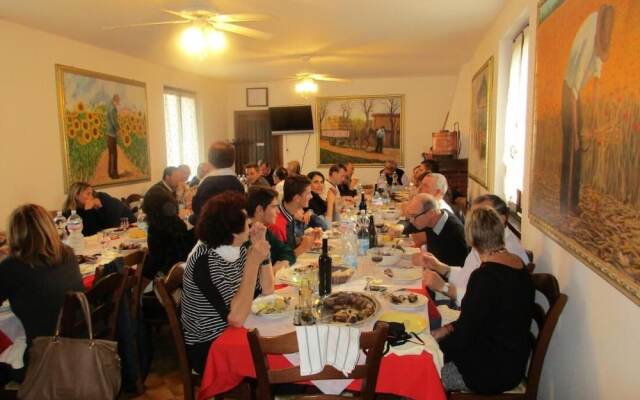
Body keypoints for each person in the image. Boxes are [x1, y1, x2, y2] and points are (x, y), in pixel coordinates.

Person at [431, 206, 534, 394]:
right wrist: (446, 329)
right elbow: (478, 318)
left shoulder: (484, 277)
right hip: (511, 357)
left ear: (471, 240)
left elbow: (464, 337)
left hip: (493, 371)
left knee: (427, 369)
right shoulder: (519, 265)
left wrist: (436, 344)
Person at [181, 192, 273, 374]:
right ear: (231, 231)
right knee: (275, 357)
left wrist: (262, 249)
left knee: (280, 344)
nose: (251, 224)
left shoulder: (235, 247)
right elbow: (235, 318)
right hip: (210, 346)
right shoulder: (205, 260)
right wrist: (253, 262)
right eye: (246, 222)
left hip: (235, 331)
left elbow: (268, 289)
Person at [0, 204, 84, 375]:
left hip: (41, 355)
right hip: (76, 346)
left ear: (15, 234)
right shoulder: (67, 253)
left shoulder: (13, 266)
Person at [417, 194, 530, 306]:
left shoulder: (507, 252)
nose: (473, 223)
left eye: (482, 215)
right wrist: (439, 267)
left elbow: (482, 303)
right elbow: (467, 276)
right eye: (473, 215)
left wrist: (443, 287)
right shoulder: (486, 241)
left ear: (501, 219)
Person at [560, 5, 614, 215]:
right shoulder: (590, 32)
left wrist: (594, 122)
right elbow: (573, 88)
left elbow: (596, 85)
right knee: (572, 148)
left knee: (579, 147)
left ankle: (573, 201)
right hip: (569, 90)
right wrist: (575, 132)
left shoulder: (601, 35)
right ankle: (568, 203)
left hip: (577, 93)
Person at [142, 167, 194, 282]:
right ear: (167, 177)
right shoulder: (158, 192)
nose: (179, 180)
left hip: (162, 241)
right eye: (176, 178)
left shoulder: (166, 190)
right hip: (163, 242)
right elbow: (173, 216)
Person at [404, 193, 468, 268]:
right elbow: (410, 227)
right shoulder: (435, 217)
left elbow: (452, 273)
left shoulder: (453, 235)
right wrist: (401, 226)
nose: (411, 221)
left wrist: (425, 262)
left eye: (414, 216)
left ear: (431, 213)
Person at [190, 141, 244, 225]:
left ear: (210, 160)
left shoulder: (206, 183)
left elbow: (197, 209)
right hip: (232, 230)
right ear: (232, 161)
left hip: (211, 231)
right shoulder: (237, 183)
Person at [268, 175, 321, 256]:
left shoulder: (289, 213)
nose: (311, 196)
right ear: (297, 198)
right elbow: (280, 261)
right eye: (308, 193)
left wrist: (305, 238)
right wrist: (303, 247)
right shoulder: (276, 224)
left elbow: (288, 243)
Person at [247, 186, 296, 268]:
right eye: (274, 207)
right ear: (259, 210)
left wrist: (283, 262)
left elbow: (288, 252)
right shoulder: (246, 237)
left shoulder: (265, 231)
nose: (278, 211)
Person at [62, 182, 135, 236]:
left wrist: (100, 208)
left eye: (91, 194)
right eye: (88, 194)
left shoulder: (92, 207)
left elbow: (107, 226)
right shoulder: (68, 214)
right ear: (76, 196)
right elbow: (89, 233)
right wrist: (88, 211)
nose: (91, 197)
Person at [105, 94, 120, 179]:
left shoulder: (109, 107)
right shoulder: (112, 109)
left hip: (109, 134)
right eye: (118, 101)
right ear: (115, 100)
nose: (119, 102)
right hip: (112, 134)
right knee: (114, 154)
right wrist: (118, 129)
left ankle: (110, 173)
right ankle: (114, 174)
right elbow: (114, 121)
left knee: (111, 154)